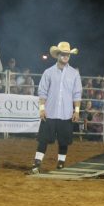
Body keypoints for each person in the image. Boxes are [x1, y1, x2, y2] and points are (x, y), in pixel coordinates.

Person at [28, 42, 83, 174]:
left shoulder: (74, 74)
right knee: (43, 139)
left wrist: (76, 111)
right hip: (50, 112)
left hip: (66, 113)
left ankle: (61, 164)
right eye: (63, 54)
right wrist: (42, 108)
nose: (66, 57)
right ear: (57, 55)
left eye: (68, 54)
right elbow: (42, 92)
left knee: (64, 140)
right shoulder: (48, 72)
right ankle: (37, 164)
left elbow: (77, 93)